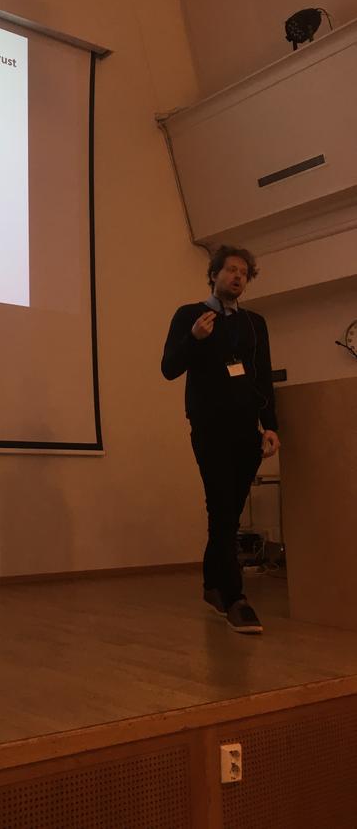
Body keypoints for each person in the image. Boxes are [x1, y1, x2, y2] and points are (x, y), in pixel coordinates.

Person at [161, 246, 280, 634]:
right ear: (214, 274)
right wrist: (194, 338)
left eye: (244, 272)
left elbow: (262, 376)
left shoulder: (255, 324)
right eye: (230, 269)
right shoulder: (189, 316)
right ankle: (235, 598)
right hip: (210, 428)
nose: (237, 276)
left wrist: (270, 426)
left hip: (247, 431)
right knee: (223, 510)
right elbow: (168, 368)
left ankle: (213, 587)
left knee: (227, 513)